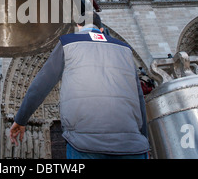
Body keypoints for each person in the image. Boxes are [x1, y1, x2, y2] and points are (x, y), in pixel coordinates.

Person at [10, 12, 150, 159]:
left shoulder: (68, 42)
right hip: (133, 146)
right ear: (101, 29)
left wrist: (20, 119)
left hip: (85, 145)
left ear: (78, 26)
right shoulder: (125, 49)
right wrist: (144, 140)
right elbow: (139, 99)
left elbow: (40, 85)